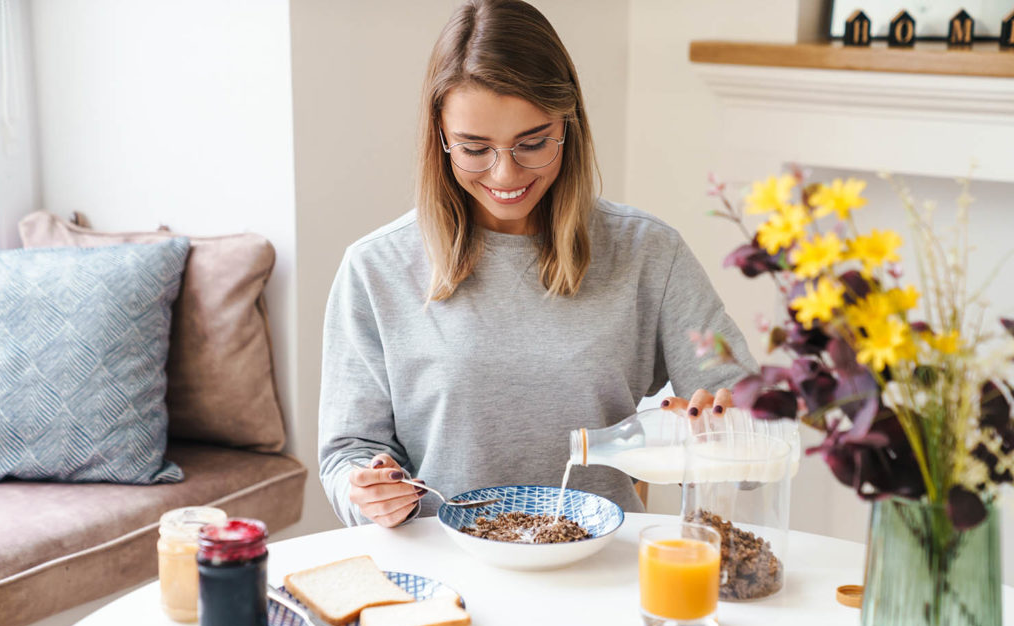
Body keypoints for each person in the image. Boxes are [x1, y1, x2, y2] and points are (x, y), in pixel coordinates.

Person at [319, 0, 756, 528]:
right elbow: (347, 452)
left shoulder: (648, 253)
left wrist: (725, 434)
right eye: (475, 148)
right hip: (444, 570)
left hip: (605, 566)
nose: (505, 175)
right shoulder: (375, 268)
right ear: (440, 137)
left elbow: (754, 440)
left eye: (532, 143)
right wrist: (365, 490)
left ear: (567, 127)